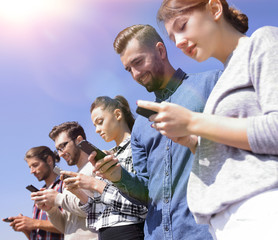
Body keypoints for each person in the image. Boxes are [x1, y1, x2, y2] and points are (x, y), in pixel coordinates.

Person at [134, 1, 278, 239]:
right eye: (173, 37)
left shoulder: (262, 41)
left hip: (260, 210)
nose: (179, 42)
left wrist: (193, 122)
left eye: (183, 26)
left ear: (214, 9)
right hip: (225, 223)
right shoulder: (224, 78)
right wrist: (192, 142)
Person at [90, 24, 221, 239]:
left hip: (205, 231)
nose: (135, 74)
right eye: (128, 69)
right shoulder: (141, 124)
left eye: (138, 62)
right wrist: (118, 176)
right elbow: (146, 193)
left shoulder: (211, 85)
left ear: (160, 50)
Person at [60, 95, 147, 240]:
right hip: (105, 233)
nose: (96, 130)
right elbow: (99, 211)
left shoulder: (136, 148)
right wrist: (79, 192)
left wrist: (94, 184)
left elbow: (141, 208)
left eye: (100, 122)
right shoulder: (108, 156)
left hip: (129, 232)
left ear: (118, 114)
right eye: (94, 126)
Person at [31, 122, 98, 240]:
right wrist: (51, 210)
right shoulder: (73, 176)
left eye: (63, 146)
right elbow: (65, 227)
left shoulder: (96, 168)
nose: (61, 154)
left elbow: (95, 211)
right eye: (58, 149)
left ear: (79, 140)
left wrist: (58, 198)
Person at [3, 146, 64, 240]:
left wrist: (34, 223)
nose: (32, 171)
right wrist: (25, 227)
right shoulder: (39, 193)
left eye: (35, 165)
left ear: (49, 160)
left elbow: (71, 224)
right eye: (30, 167)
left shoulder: (65, 185)